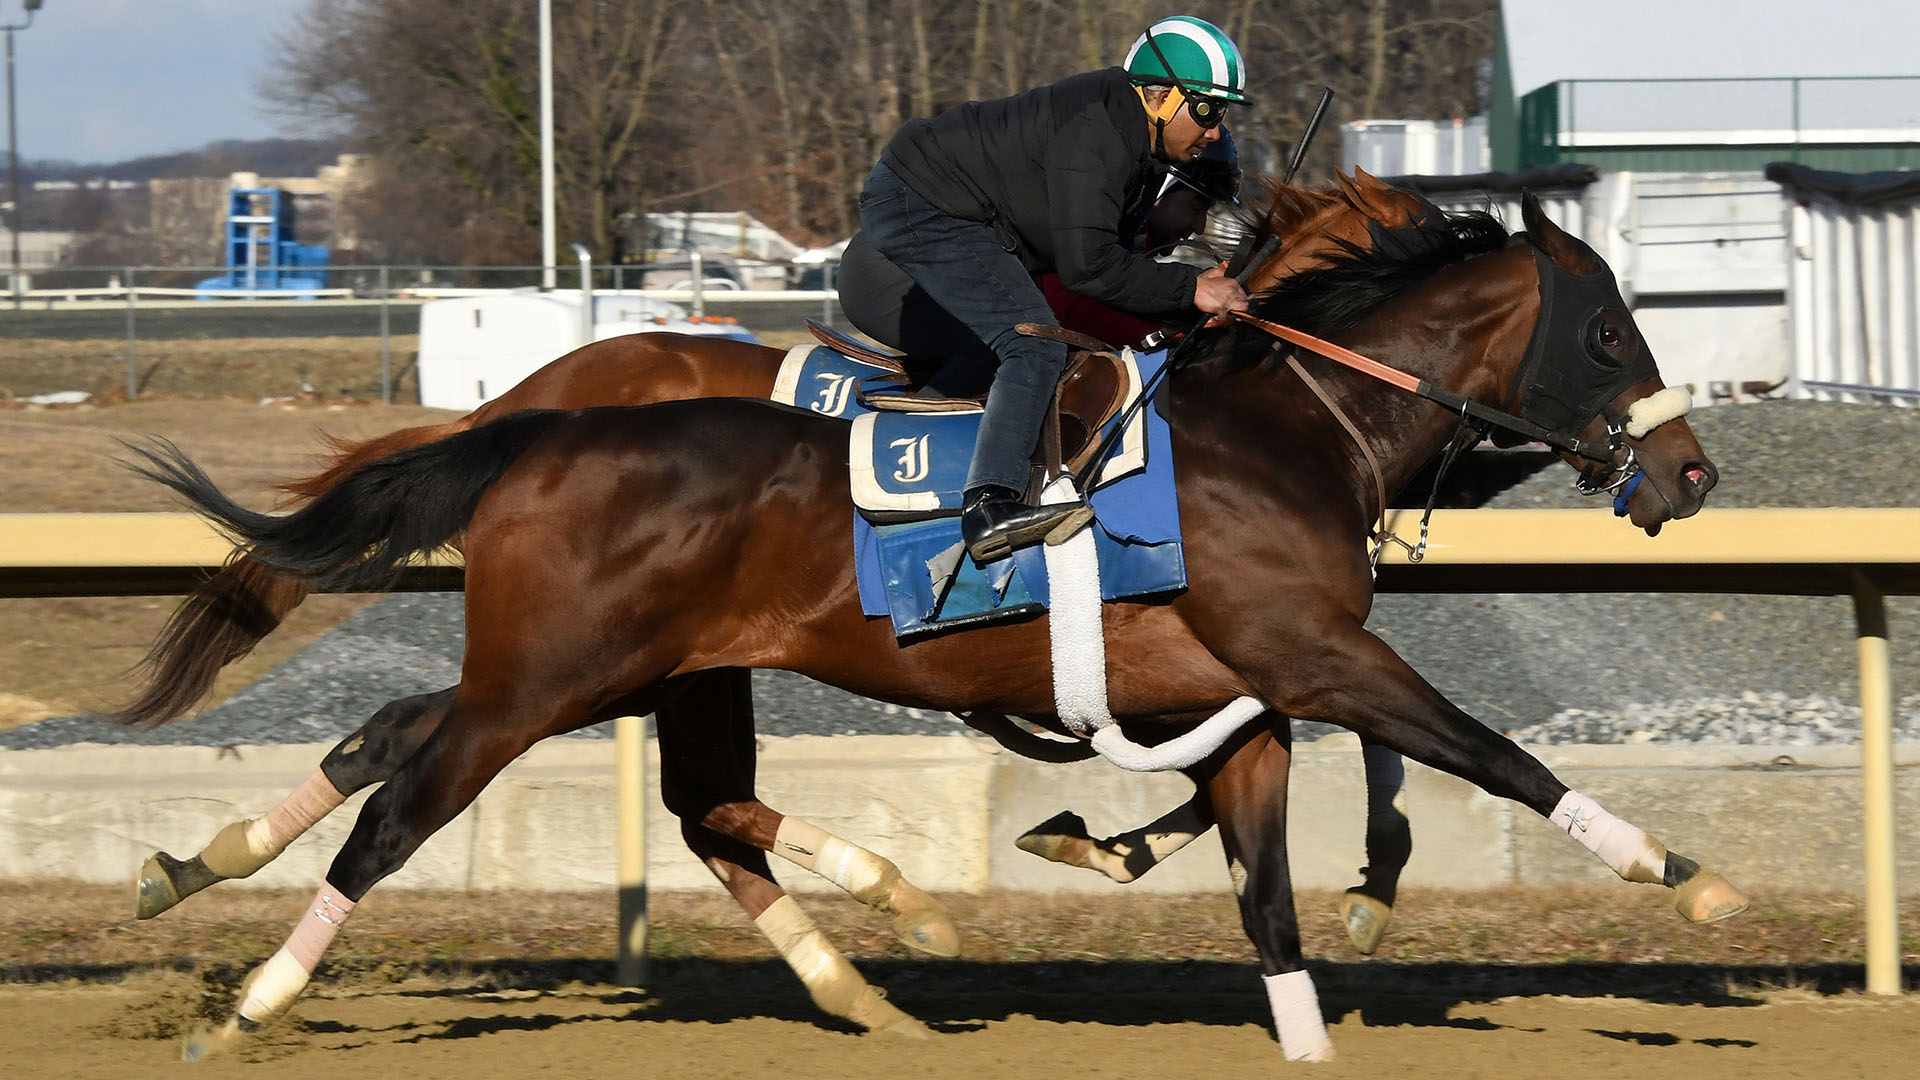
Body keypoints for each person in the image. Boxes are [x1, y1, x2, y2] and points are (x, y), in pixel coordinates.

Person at [840, 15, 1252, 564]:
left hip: (966, 213)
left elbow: (1114, 266)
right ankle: (988, 505)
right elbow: (1090, 270)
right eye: (1208, 109)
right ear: (1158, 98)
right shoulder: (1099, 133)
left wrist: (1186, 307)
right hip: (921, 202)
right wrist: (1190, 289)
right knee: (1033, 343)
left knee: (1033, 338)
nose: (1214, 130)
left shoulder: (1140, 147)